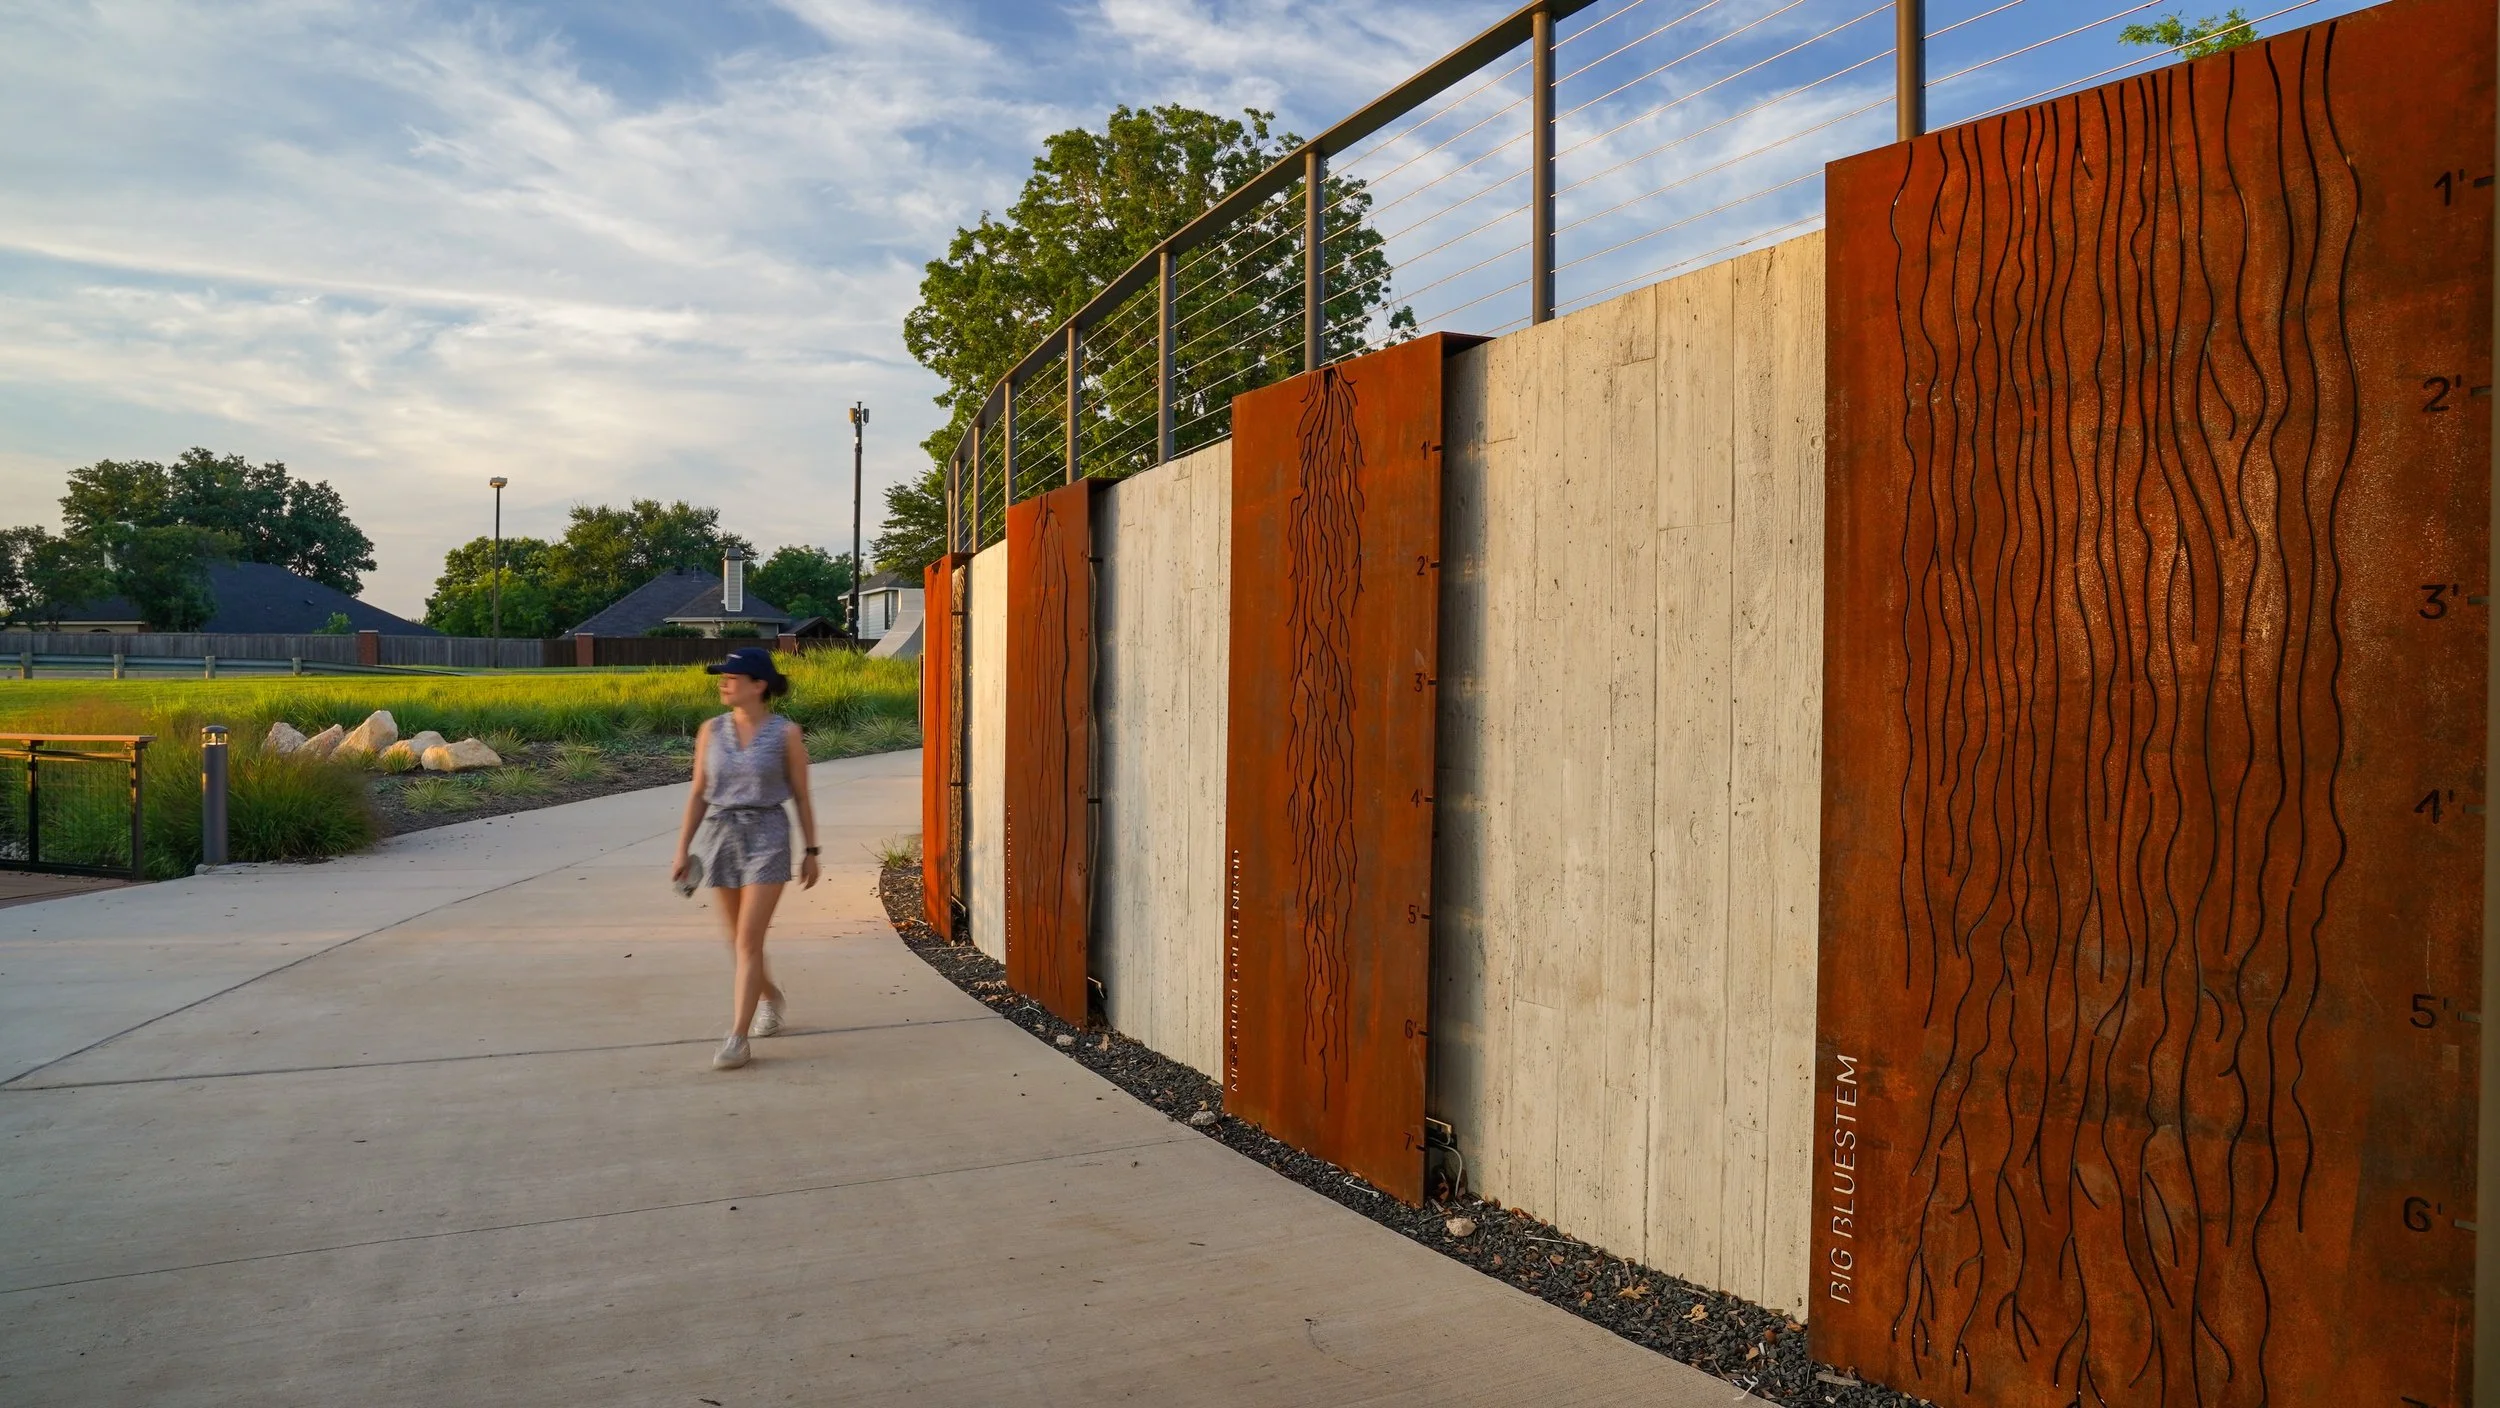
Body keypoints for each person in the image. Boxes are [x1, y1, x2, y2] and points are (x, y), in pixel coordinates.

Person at [671, 646, 820, 1070]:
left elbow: (803, 795)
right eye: (722, 676)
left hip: (769, 834)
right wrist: (683, 848)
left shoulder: (785, 734)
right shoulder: (710, 731)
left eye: (732, 677)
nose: (723, 682)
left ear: (759, 685)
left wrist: (811, 851)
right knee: (738, 941)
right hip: (721, 835)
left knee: (749, 940)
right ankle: (771, 996)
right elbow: (699, 791)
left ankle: (737, 1037)